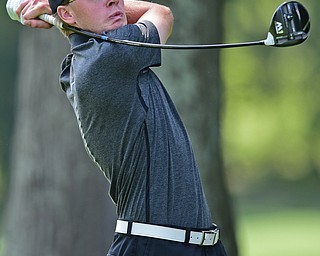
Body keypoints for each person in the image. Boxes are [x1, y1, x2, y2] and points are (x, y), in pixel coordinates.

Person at [17, 0, 227, 255]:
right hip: (154, 246)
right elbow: (162, 13)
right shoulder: (107, 57)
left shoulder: (94, 57)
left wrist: (65, 13)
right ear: (66, 14)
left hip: (196, 245)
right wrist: (54, 10)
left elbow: (98, 18)